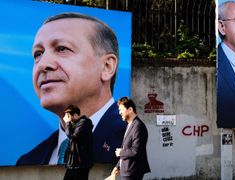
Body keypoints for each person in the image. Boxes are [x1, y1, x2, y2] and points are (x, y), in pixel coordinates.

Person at [16, 12, 127, 165]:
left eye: (62, 49)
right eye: (38, 54)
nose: (42, 64)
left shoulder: (130, 139)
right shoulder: (27, 162)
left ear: (107, 66)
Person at [111, 97, 150, 180]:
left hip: (133, 171)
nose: (119, 113)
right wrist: (117, 166)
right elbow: (126, 148)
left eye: (121, 110)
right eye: (119, 110)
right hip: (126, 171)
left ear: (130, 109)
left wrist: (121, 152)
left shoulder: (138, 126)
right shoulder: (130, 125)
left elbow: (135, 151)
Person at [62, 105, 93, 180]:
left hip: (80, 164)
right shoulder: (76, 124)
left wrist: (68, 123)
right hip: (74, 164)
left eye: (69, 116)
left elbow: (73, 137)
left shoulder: (84, 122)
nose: (68, 119)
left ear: (75, 115)